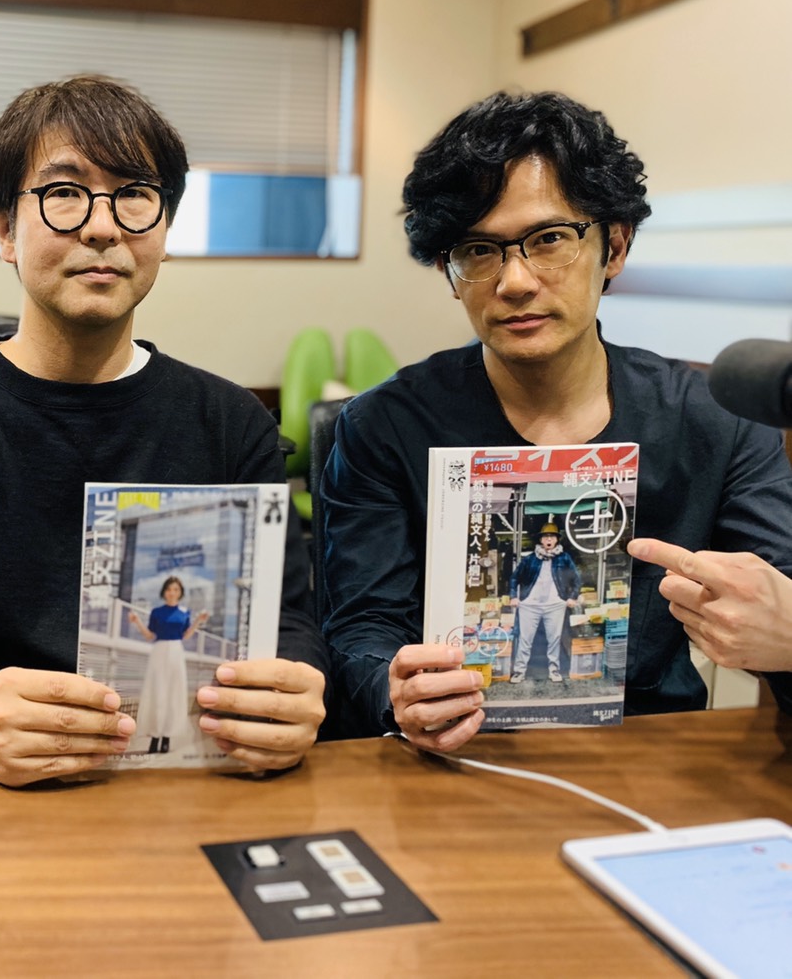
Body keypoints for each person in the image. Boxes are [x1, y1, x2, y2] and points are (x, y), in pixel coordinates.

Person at [0, 75, 327, 786]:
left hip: (175, 794)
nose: (103, 227)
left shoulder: (233, 424)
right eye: (64, 193)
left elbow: (286, 622)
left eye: (134, 195)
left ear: (165, 229)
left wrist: (292, 687)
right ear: (4, 229)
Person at [319, 91, 792, 750]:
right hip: (450, 754)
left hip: (654, 753)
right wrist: (393, 692)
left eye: (548, 240)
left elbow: (777, 595)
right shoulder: (384, 425)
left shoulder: (717, 419)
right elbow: (362, 627)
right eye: (478, 250)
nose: (514, 281)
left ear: (614, 247)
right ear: (451, 274)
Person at [127, 576, 209, 754]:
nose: (172, 593)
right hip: (159, 651)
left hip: (176, 652)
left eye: (176, 590)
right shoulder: (157, 612)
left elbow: (186, 635)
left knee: (173, 693)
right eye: (169, 589)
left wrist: (198, 621)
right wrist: (137, 621)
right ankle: (154, 738)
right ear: (164, 592)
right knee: (157, 692)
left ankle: (166, 738)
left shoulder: (184, 612)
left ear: (180, 593)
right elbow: (150, 635)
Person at [507, 522, 580, 684]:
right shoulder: (530, 559)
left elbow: (576, 578)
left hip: (555, 605)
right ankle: (519, 671)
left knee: (554, 639)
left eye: (552, 537)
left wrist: (572, 597)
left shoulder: (564, 558)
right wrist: (513, 596)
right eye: (545, 537)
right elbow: (514, 578)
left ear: (557, 540)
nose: (548, 540)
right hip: (530, 605)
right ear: (540, 540)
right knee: (525, 639)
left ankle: (554, 670)